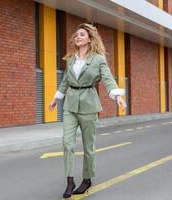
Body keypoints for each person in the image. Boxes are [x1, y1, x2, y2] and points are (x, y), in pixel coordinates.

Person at [48, 23, 126, 198]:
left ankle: (87, 179)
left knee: (88, 146)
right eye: (76, 35)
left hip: (89, 105)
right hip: (70, 105)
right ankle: (70, 181)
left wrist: (117, 95)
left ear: (89, 39)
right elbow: (66, 81)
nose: (78, 37)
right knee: (67, 143)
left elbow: (107, 79)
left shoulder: (98, 59)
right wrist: (56, 98)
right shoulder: (71, 59)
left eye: (82, 34)